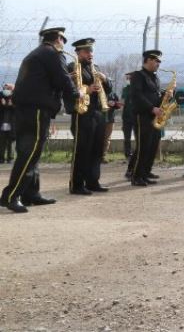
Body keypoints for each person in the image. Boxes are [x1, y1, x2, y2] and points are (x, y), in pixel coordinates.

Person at [0, 27, 78, 213]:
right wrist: (77, 93)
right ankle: (11, 196)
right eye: (63, 40)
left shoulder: (36, 54)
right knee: (29, 153)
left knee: (30, 152)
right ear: (58, 38)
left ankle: (31, 194)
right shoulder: (52, 53)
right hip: (35, 110)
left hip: (26, 110)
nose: (63, 45)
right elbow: (62, 80)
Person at [66, 38, 112, 195]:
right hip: (82, 113)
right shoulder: (72, 67)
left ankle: (93, 181)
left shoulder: (95, 68)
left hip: (98, 112)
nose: (90, 54)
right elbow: (68, 89)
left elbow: (109, 89)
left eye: (91, 51)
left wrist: (105, 79)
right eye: (86, 51)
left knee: (97, 149)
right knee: (82, 149)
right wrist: (87, 89)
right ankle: (77, 185)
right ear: (78, 52)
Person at [129, 50, 169, 186]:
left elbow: (155, 95)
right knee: (143, 147)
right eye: (157, 61)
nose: (159, 63)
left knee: (152, 146)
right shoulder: (138, 76)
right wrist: (151, 108)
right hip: (143, 116)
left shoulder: (155, 77)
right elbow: (137, 95)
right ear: (148, 60)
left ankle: (145, 173)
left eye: (159, 61)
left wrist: (166, 96)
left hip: (155, 117)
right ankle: (136, 176)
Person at [122, 72, 136, 177]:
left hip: (135, 116)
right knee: (127, 137)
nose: (129, 79)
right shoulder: (126, 89)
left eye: (131, 78)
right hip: (126, 117)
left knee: (137, 137)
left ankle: (135, 153)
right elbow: (123, 101)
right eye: (129, 78)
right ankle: (128, 153)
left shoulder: (138, 88)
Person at [0, 83, 15, 163]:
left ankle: (11, 158)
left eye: (8, 88)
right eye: (5, 88)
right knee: (1, 142)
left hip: (12, 124)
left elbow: (18, 110)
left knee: (11, 142)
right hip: (2, 123)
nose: (6, 90)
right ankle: (1, 158)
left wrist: (12, 105)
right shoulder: (0, 96)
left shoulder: (15, 97)